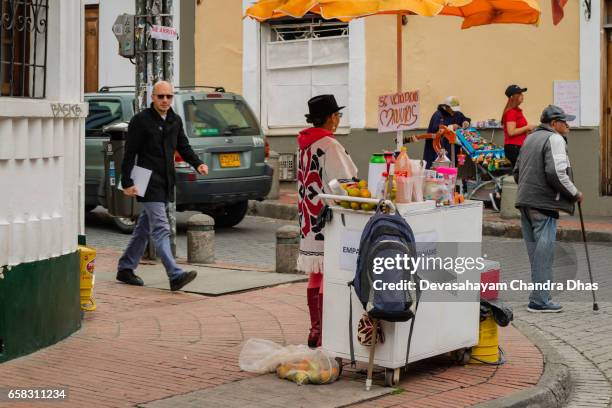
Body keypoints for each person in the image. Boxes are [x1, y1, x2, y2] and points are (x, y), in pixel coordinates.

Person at [116, 80, 209, 291]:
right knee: (161, 227)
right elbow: (130, 153)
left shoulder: (174, 120)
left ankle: (125, 268)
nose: (165, 100)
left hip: (166, 180)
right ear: (153, 98)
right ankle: (175, 274)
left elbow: (183, 146)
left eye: (169, 96)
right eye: (161, 96)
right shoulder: (141, 121)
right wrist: (127, 181)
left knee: (144, 228)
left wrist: (198, 163)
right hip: (146, 180)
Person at [297, 95, 358, 347]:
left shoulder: (303, 143)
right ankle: (325, 331)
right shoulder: (329, 145)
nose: (339, 119)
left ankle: (315, 330)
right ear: (332, 118)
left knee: (316, 273)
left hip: (308, 218)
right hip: (327, 217)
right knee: (329, 270)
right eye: (338, 115)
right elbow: (346, 181)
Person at [513, 105, 583, 313]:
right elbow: (557, 172)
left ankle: (537, 296)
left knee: (536, 253)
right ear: (554, 124)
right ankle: (541, 300)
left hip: (525, 202)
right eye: (564, 122)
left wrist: (528, 190)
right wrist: (574, 193)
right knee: (544, 254)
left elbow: (517, 172)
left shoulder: (530, 138)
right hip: (542, 204)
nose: (568, 126)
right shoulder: (555, 139)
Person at [422, 96, 470, 168]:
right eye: (452, 109)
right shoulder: (438, 115)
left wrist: (466, 122)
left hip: (452, 146)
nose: (454, 112)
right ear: (446, 107)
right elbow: (435, 129)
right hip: (439, 146)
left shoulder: (457, 113)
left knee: (451, 166)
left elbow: (464, 118)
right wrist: (450, 127)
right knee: (439, 166)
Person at [502, 85, 536, 167]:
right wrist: (527, 127)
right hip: (514, 148)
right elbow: (511, 132)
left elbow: (518, 129)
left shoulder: (517, 111)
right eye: (520, 94)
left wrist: (527, 131)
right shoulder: (511, 112)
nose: (522, 96)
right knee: (521, 174)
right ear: (514, 97)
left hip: (518, 146)